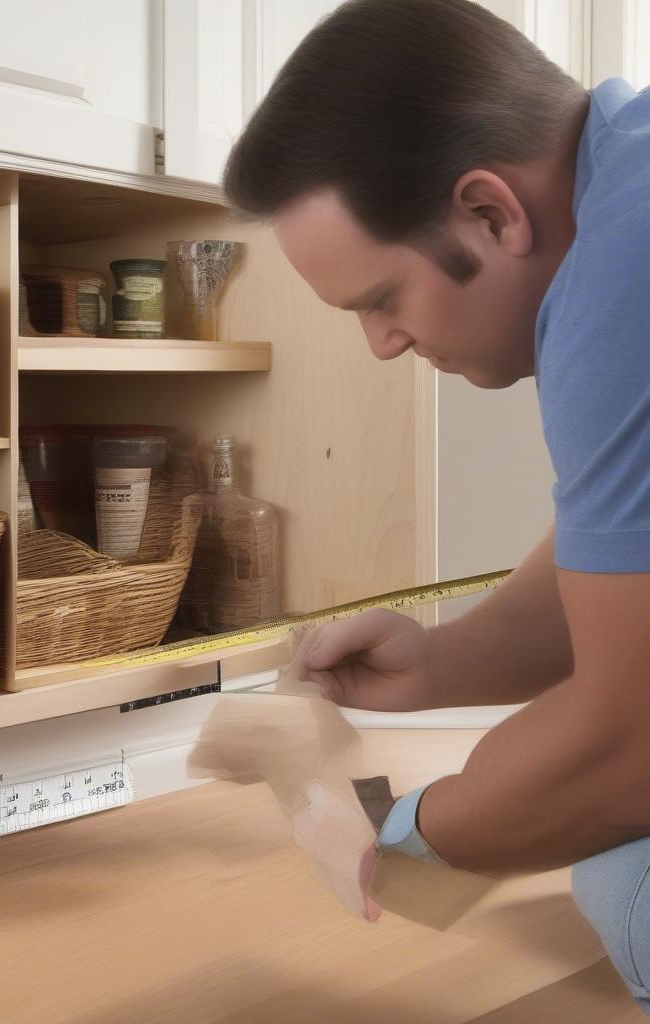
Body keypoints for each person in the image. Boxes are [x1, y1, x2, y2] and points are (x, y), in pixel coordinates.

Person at [222, 0, 650, 1012]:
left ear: (492, 213)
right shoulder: (626, 166)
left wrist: (400, 845)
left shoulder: (619, 275)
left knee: (626, 885)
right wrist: (446, 662)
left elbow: (628, 747)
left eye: (380, 299)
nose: (380, 343)